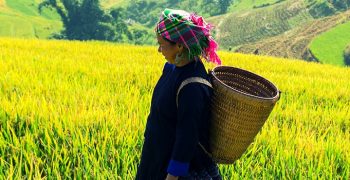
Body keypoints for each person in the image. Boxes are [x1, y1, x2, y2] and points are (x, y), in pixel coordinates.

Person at [136, 8, 222, 180]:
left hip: (176, 170)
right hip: (155, 159)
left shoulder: (193, 86)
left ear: (180, 46)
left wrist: (172, 175)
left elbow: (187, 136)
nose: (159, 50)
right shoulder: (171, 69)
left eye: (162, 44)